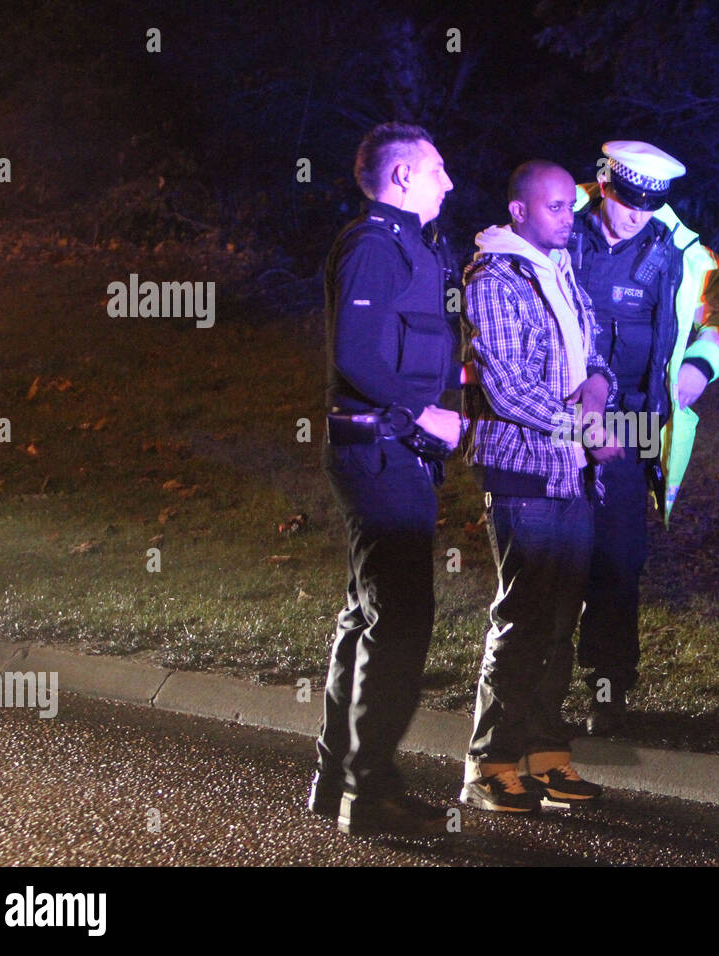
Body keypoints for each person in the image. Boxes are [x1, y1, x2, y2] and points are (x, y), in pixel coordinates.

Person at [308, 121, 461, 837]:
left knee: (366, 616)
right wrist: (423, 418)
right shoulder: (374, 245)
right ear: (402, 178)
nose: (450, 182)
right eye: (436, 169)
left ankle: (336, 777)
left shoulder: (409, 245)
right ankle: (370, 794)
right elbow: (358, 357)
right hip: (378, 454)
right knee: (400, 620)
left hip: (389, 453)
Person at [459, 160, 622, 812]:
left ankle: (544, 753)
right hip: (524, 470)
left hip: (569, 473)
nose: (569, 215)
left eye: (570, 205)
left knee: (561, 621)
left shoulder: (561, 270)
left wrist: (600, 387)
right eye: (555, 206)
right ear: (520, 212)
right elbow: (505, 386)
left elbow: (593, 352)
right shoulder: (493, 278)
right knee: (523, 619)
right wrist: (581, 430)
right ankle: (490, 761)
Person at [569, 141, 719, 735]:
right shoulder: (557, 225)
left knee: (618, 560)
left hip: (633, 420)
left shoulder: (681, 251)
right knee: (549, 558)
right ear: (604, 184)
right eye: (628, 201)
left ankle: (608, 692)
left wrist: (699, 364)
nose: (638, 214)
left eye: (651, 204)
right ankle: (529, 688)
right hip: (557, 418)